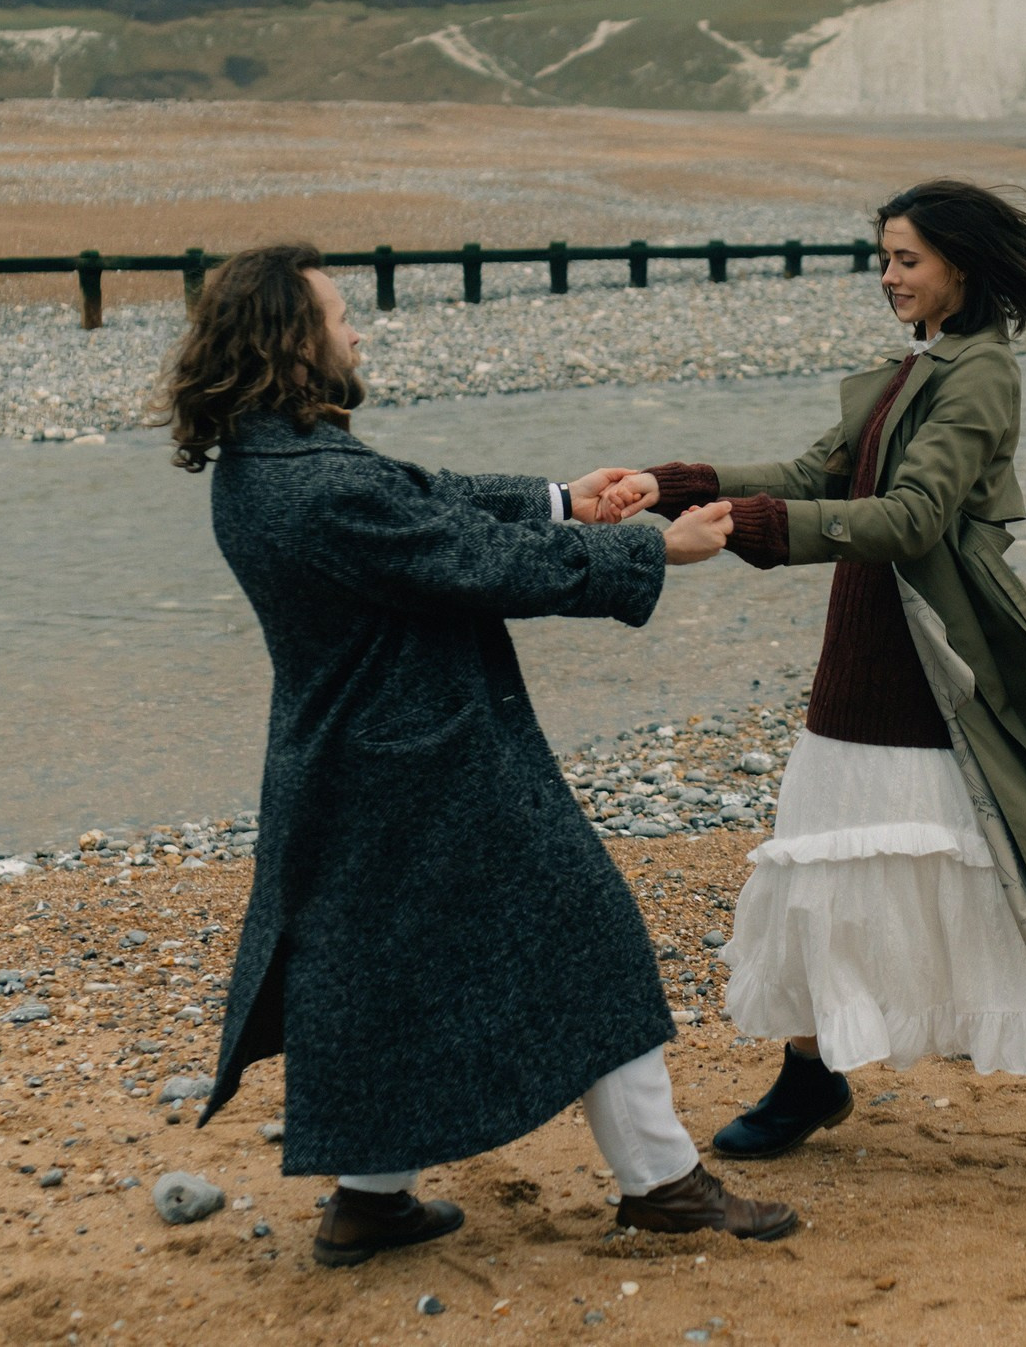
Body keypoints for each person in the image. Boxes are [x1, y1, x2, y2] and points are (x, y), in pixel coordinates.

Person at [153, 241, 798, 1266]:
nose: (353, 328)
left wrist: (562, 498)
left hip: (364, 764)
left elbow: (424, 497)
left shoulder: (268, 461)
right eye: (335, 313)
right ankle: (663, 1187)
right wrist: (645, 547)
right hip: (424, 767)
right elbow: (464, 556)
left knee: (385, 978)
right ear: (290, 338)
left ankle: (370, 1203)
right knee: (591, 939)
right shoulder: (313, 482)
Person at [606, 181, 1026, 1201]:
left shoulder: (979, 376)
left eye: (906, 259)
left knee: (959, 879)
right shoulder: (921, 368)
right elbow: (819, 469)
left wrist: (762, 531)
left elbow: (907, 520)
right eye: (886, 257)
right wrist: (672, 482)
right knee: (830, 872)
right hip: (866, 652)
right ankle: (814, 1079)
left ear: (961, 265)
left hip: (924, 665)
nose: (888, 275)